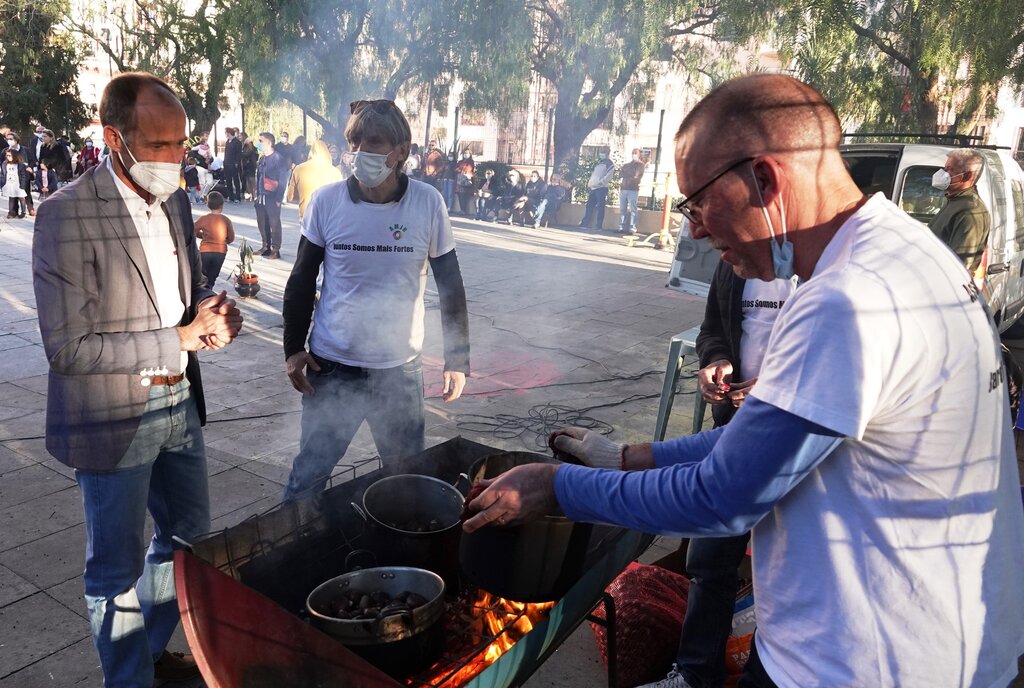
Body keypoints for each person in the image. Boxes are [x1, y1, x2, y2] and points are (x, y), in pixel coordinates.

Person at [462, 74, 1024, 688]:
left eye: (698, 203)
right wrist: (625, 457)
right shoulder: (902, 252)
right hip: (933, 642)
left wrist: (558, 487)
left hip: (867, 663)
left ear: (764, 179)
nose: (695, 231)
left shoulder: (849, 300)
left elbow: (721, 497)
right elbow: (757, 442)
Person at [32, 71, 244, 688]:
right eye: (158, 145)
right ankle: (128, 681)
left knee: (188, 539)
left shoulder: (175, 199)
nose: (174, 159)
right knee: (113, 569)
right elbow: (68, 349)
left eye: (181, 144)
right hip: (112, 416)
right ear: (114, 138)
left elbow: (186, 288)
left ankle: (145, 654)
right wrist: (180, 338)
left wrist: (211, 311)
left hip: (179, 402)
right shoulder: (65, 214)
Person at [280, 98, 470, 501]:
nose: (361, 151)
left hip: (398, 372)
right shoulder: (326, 202)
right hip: (332, 367)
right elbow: (301, 280)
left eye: (375, 141)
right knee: (308, 476)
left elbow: (450, 284)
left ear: (401, 150)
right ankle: (294, 536)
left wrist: (457, 360)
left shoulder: (427, 203)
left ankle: (398, 541)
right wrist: (293, 348)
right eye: (356, 141)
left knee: (407, 480)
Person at [673, 258, 796, 688]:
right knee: (709, 560)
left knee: (786, 571)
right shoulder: (733, 263)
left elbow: (837, 359)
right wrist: (717, 360)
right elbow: (711, 328)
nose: (705, 235)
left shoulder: (823, 270)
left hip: (796, 441)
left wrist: (775, 388)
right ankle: (695, 674)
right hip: (732, 431)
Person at [928, 149, 991, 274]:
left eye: (950, 169)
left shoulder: (970, 211)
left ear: (967, 176)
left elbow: (959, 265)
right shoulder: (955, 201)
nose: (943, 173)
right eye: (945, 169)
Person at [286, 139, 343, 219]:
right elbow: (341, 198)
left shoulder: (299, 169)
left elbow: (290, 196)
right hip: (329, 216)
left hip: (307, 215)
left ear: (311, 152)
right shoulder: (336, 172)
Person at [254, 132, 288, 259]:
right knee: (262, 222)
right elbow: (259, 177)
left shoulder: (278, 158)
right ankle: (265, 246)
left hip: (272, 196)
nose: (259, 143)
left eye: (261, 141)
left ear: (269, 143)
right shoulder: (262, 159)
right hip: (261, 195)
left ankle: (275, 249)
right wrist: (257, 194)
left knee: (274, 223)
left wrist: (279, 198)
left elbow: (283, 180)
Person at [194, 190, 235, 286]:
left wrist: (202, 235)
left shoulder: (203, 219)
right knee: (212, 276)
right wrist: (223, 240)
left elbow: (192, 230)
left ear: (207, 204)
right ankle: (210, 289)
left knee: (203, 276)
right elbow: (231, 238)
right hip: (220, 252)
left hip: (205, 251)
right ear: (222, 205)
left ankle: (203, 291)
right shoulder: (226, 220)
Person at [579, 146, 615, 229]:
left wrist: (601, 182)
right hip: (593, 188)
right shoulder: (599, 163)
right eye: (601, 152)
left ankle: (598, 226)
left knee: (600, 207)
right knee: (589, 206)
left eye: (603, 152)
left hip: (601, 188)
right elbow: (594, 175)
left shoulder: (609, 164)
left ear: (607, 154)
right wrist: (590, 183)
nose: (601, 154)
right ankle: (585, 224)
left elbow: (609, 176)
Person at [6, 132, 36, 216]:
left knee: (26, 192)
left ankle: (30, 208)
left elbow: (32, 160)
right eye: (7, 139)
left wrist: (30, 167)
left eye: (11, 139)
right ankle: (13, 211)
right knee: (13, 194)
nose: (9, 141)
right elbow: (3, 162)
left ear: (16, 140)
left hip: (24, 175)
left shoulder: (25, 150)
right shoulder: (6, 151)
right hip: (12, 176)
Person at [619, 148, 646, 234]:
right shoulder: (627, 165)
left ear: (639, 155)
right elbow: (621, 174)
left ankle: (632, 228)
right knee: (622, 209)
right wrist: (629, 173)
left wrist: (627, 173)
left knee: (633, 209)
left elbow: (636, 175)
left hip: (633, 189)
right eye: (633, 153)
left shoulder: (640, 165)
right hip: (624, 188)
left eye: (635, 153)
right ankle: (621, 227)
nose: (634, 154)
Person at [2, 148, 29, 217]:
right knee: (11, 198)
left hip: (18, 184)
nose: (8, 157)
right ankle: (10, 212)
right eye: (7, 155)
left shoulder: (20, 165)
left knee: (21, 198)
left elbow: (23, 176)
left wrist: (22, 185)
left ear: (14, 156)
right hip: (10, 184)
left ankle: (23, 212)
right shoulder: (5, 164)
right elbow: (3, 174)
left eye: (9, 155)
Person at [222, 127, 242, 203]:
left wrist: (236, 162)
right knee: (228, 180)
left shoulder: (237, 142)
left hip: (233, 164)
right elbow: (226, 153)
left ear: (229, 133)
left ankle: (238, 197)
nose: (225, 134)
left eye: (226, 132)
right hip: (227, 163)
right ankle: (231, 197)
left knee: (236, 180)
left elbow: (238, 154)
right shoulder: (227, 141)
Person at [241, 132, 258, 200]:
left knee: (252, 180)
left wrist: (242, 154)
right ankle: (251, 194)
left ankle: (254, 195)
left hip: (251, 166)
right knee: (248, 180)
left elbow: (246, 154)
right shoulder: (245, 147)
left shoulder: (252, 149)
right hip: (246, 166)